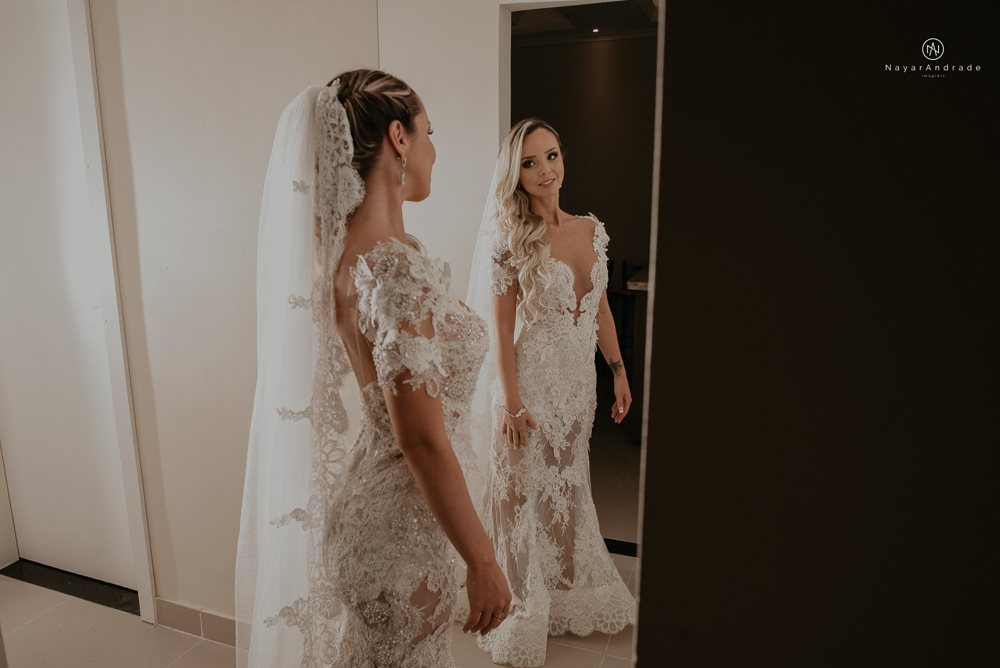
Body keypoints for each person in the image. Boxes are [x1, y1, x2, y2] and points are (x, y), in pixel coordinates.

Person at [236, 69, 511, 668]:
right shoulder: (393, 270)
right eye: (429, 132)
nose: (435, 150)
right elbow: (419, 437)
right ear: (399, 138)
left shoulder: (354, 258)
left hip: (377, 512)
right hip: (402, 531)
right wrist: (483, 560)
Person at [465, 118, 637, 667]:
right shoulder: (510, 240)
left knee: (566, 488)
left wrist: (618, 370)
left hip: (577, 388)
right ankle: (516, 604)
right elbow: (499, 332)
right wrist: (511, 403)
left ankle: (563, 594)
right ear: (515, 173)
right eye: (531, 162)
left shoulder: (591, 230)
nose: (546, 170)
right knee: (518, 495)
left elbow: (601, 308)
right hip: (528, 389)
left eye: (553, 156)